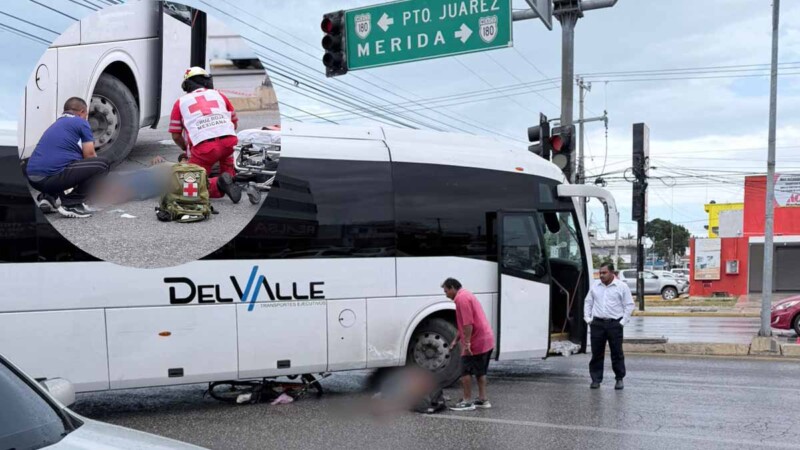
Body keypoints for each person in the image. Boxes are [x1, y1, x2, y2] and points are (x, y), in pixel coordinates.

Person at [168, 66, 257, 204]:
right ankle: (229, 180)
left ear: (186, 86)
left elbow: (176, 135)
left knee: (189, 188)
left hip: (204, 148)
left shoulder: (180, 102)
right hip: (229, 142)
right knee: (227, 165)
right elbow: (233, 123)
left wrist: (185, 147)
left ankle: (218, 185)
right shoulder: (219, 95)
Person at [24, 97, 110, 218]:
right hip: (50, 177)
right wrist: (96, 184)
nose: (86, 117)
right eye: (86, 114)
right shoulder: (81, 122)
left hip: (33, 178)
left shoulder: (56, 124)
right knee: (102, 165)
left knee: (68, 165)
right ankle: (72, 204)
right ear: (82, 112)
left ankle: (48, 198)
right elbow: (90, 155)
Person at [442, 277, 495, 411]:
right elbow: (463, 325)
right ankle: (483, 400)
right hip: (486, 339)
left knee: (465, 371)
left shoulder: (461, 299)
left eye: (446, 291)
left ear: (452, 287)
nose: (446, 295)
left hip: (476, 340)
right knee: (480, 371)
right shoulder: (466, 294)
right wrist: (455, 340)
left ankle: (467, 401)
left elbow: (468, 324)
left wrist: (467, 344)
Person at [584, 262, 635, 390]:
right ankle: (596, 380)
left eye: (604, 273)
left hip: (614, 324)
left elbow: (629, 305)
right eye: (600, 273)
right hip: (597, 324)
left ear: (612, 273)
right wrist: (588, 319)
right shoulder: (595, 285)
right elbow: (588, 302)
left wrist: (622, 322)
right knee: (596, 353)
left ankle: (619, 378)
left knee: (617, 353)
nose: (601, 275)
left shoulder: (621, 286)